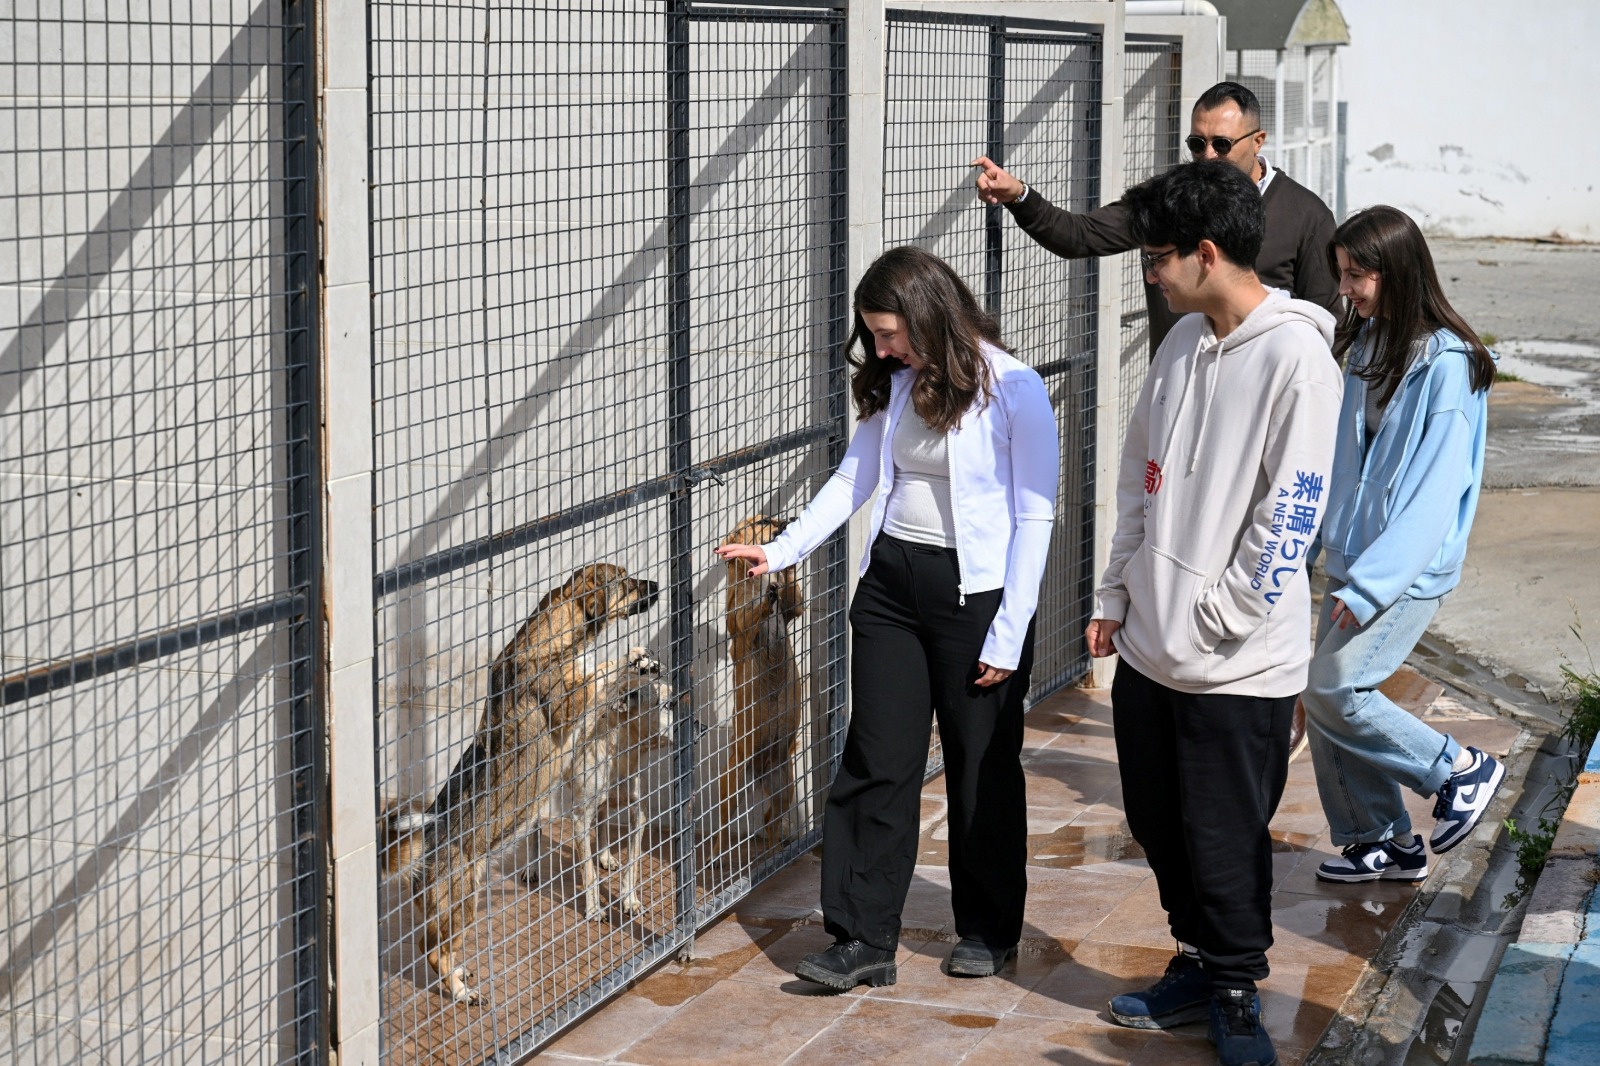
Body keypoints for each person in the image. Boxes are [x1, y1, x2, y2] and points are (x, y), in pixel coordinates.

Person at [716, 245, 1059, 991]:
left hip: (978, 598)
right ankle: (862, 938)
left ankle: (988, 930)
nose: (880, 349)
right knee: (876, 758)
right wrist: (781, 550)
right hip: (891, 592)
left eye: (888, 333)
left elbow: (1036, 517)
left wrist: (1008, 631)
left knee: (981, 765)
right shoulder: (897, 382)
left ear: (928, 315)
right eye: (873, 335)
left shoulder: (1015, 388)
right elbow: (856, 476)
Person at [1083, 161, 1342, 1066]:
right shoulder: (1182, 343)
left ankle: (1236, 988)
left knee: (1225, 836)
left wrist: (1219, 617)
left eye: (1156, 257)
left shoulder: (1297, 358)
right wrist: (1117, 593)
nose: (1149, 273)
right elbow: (1139, 477)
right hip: (1150, 648)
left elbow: (1291, 512)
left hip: (1236, 661)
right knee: (1157, 823)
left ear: (1205, 252)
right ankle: (1196, 961)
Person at [1301, 206, 1504, 886]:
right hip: (1353, 557)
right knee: (1325, 699)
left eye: (1356, 275)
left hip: (1403, 570)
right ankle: (1381, 840)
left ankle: (1457, 770)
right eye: (1341, 274)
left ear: (1397, 270)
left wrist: (1370, 587)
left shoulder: (1450, 365)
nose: (1345, 289)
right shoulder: (1370, 343)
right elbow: (1344, 461)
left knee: (1335, 687)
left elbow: (1435, 493)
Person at [972, 80, 1340, 355]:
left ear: (1258, 140)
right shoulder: (1168, 199)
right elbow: (1080, 236)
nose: (1208, 156)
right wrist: (1018, 195)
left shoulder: (1306, 215)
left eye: (1222, 144)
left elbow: (1326, 324)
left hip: (1255, 397)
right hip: (1177, 388)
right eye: (1197, 144)